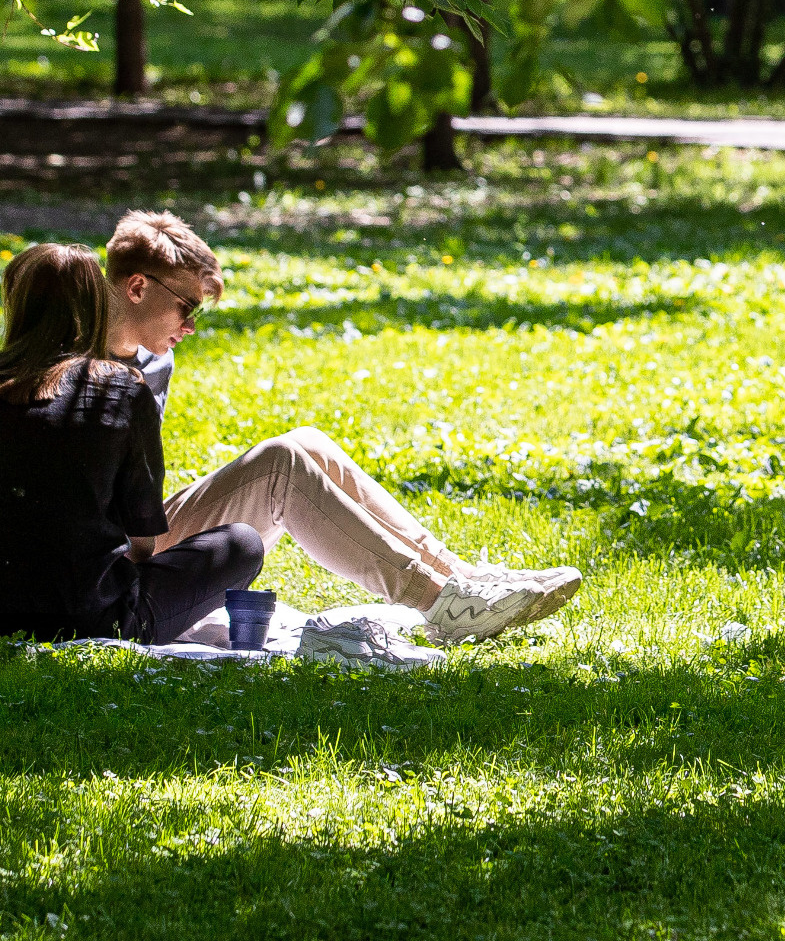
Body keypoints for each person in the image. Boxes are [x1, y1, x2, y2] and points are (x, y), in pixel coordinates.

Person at [95, 209, 584, 644]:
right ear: (137, 288)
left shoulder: (153, 359)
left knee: (308, 443)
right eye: (187, 308)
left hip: (142, 524)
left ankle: (460, 579)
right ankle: (437, 602)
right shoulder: (70, 361)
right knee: (280, 468)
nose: (192, 326)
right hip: (106, 560)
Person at [0, 244, 265, 643]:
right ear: (97, 304)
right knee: (242, 543)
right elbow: (141, 542)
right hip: (89, 617)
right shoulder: (121, 389)